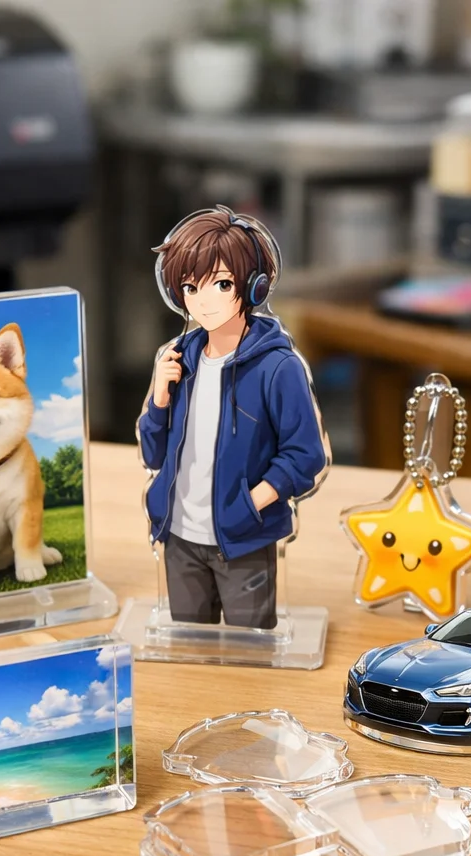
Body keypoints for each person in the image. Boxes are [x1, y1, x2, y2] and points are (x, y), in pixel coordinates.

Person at [137, 206, 331, 629]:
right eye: (191, 287)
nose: (203, 300)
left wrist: (248, 504)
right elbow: (153, 455)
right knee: (189, 647)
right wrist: (159, 399)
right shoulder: (179, 359)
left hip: (244, 540)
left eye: (221, 284)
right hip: (179, 538)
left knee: (252, 649)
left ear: (254, 287)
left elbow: (306, 456)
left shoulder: (279, 368)